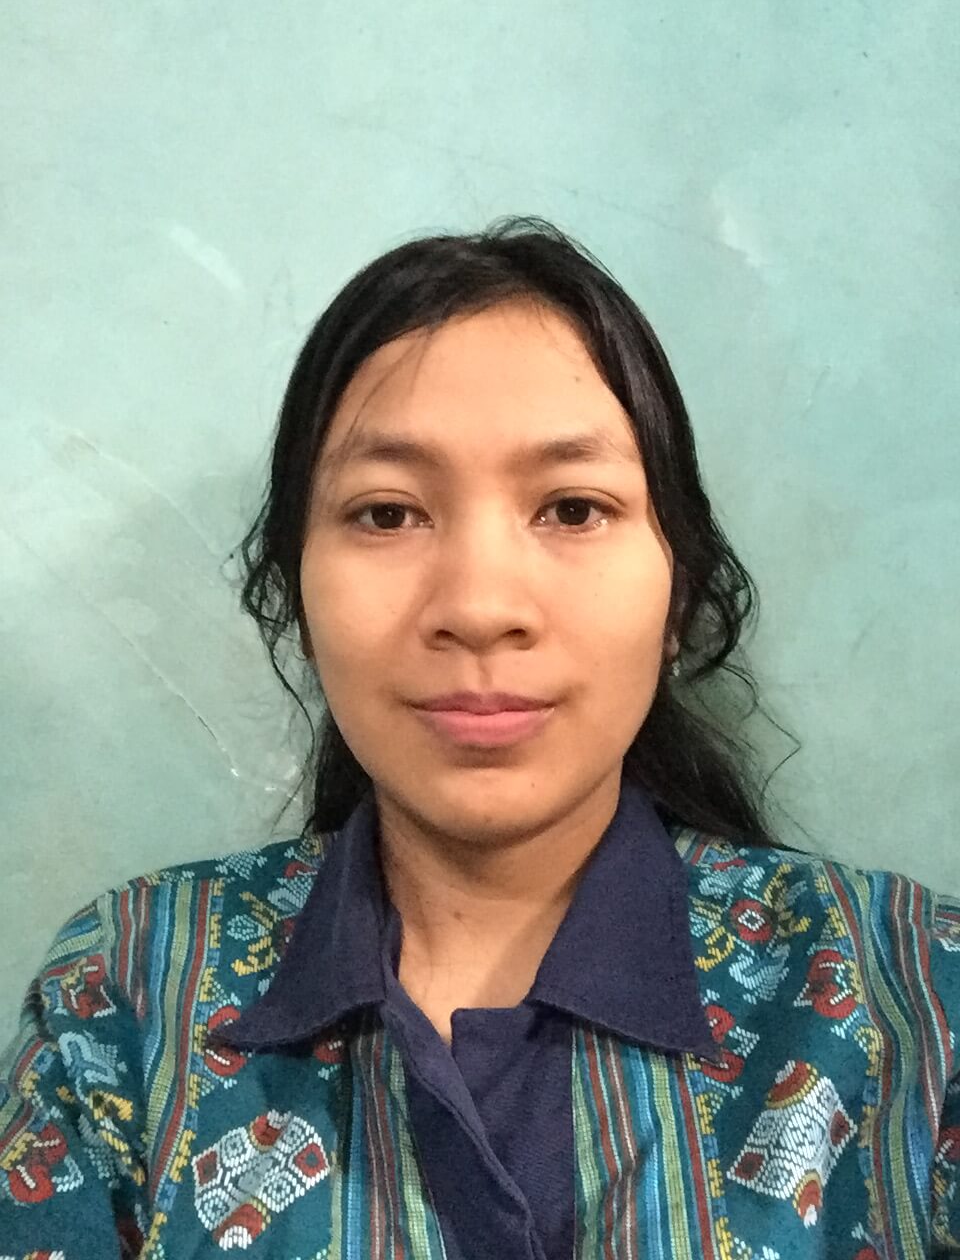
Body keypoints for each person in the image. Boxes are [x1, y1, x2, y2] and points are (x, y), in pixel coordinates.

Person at [1, 216, 957, 1260]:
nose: (479, 605)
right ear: (296, 594)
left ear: (678, 593)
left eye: (573, 508)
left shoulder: (917, 998)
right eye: (387, 514)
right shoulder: (127, 999)